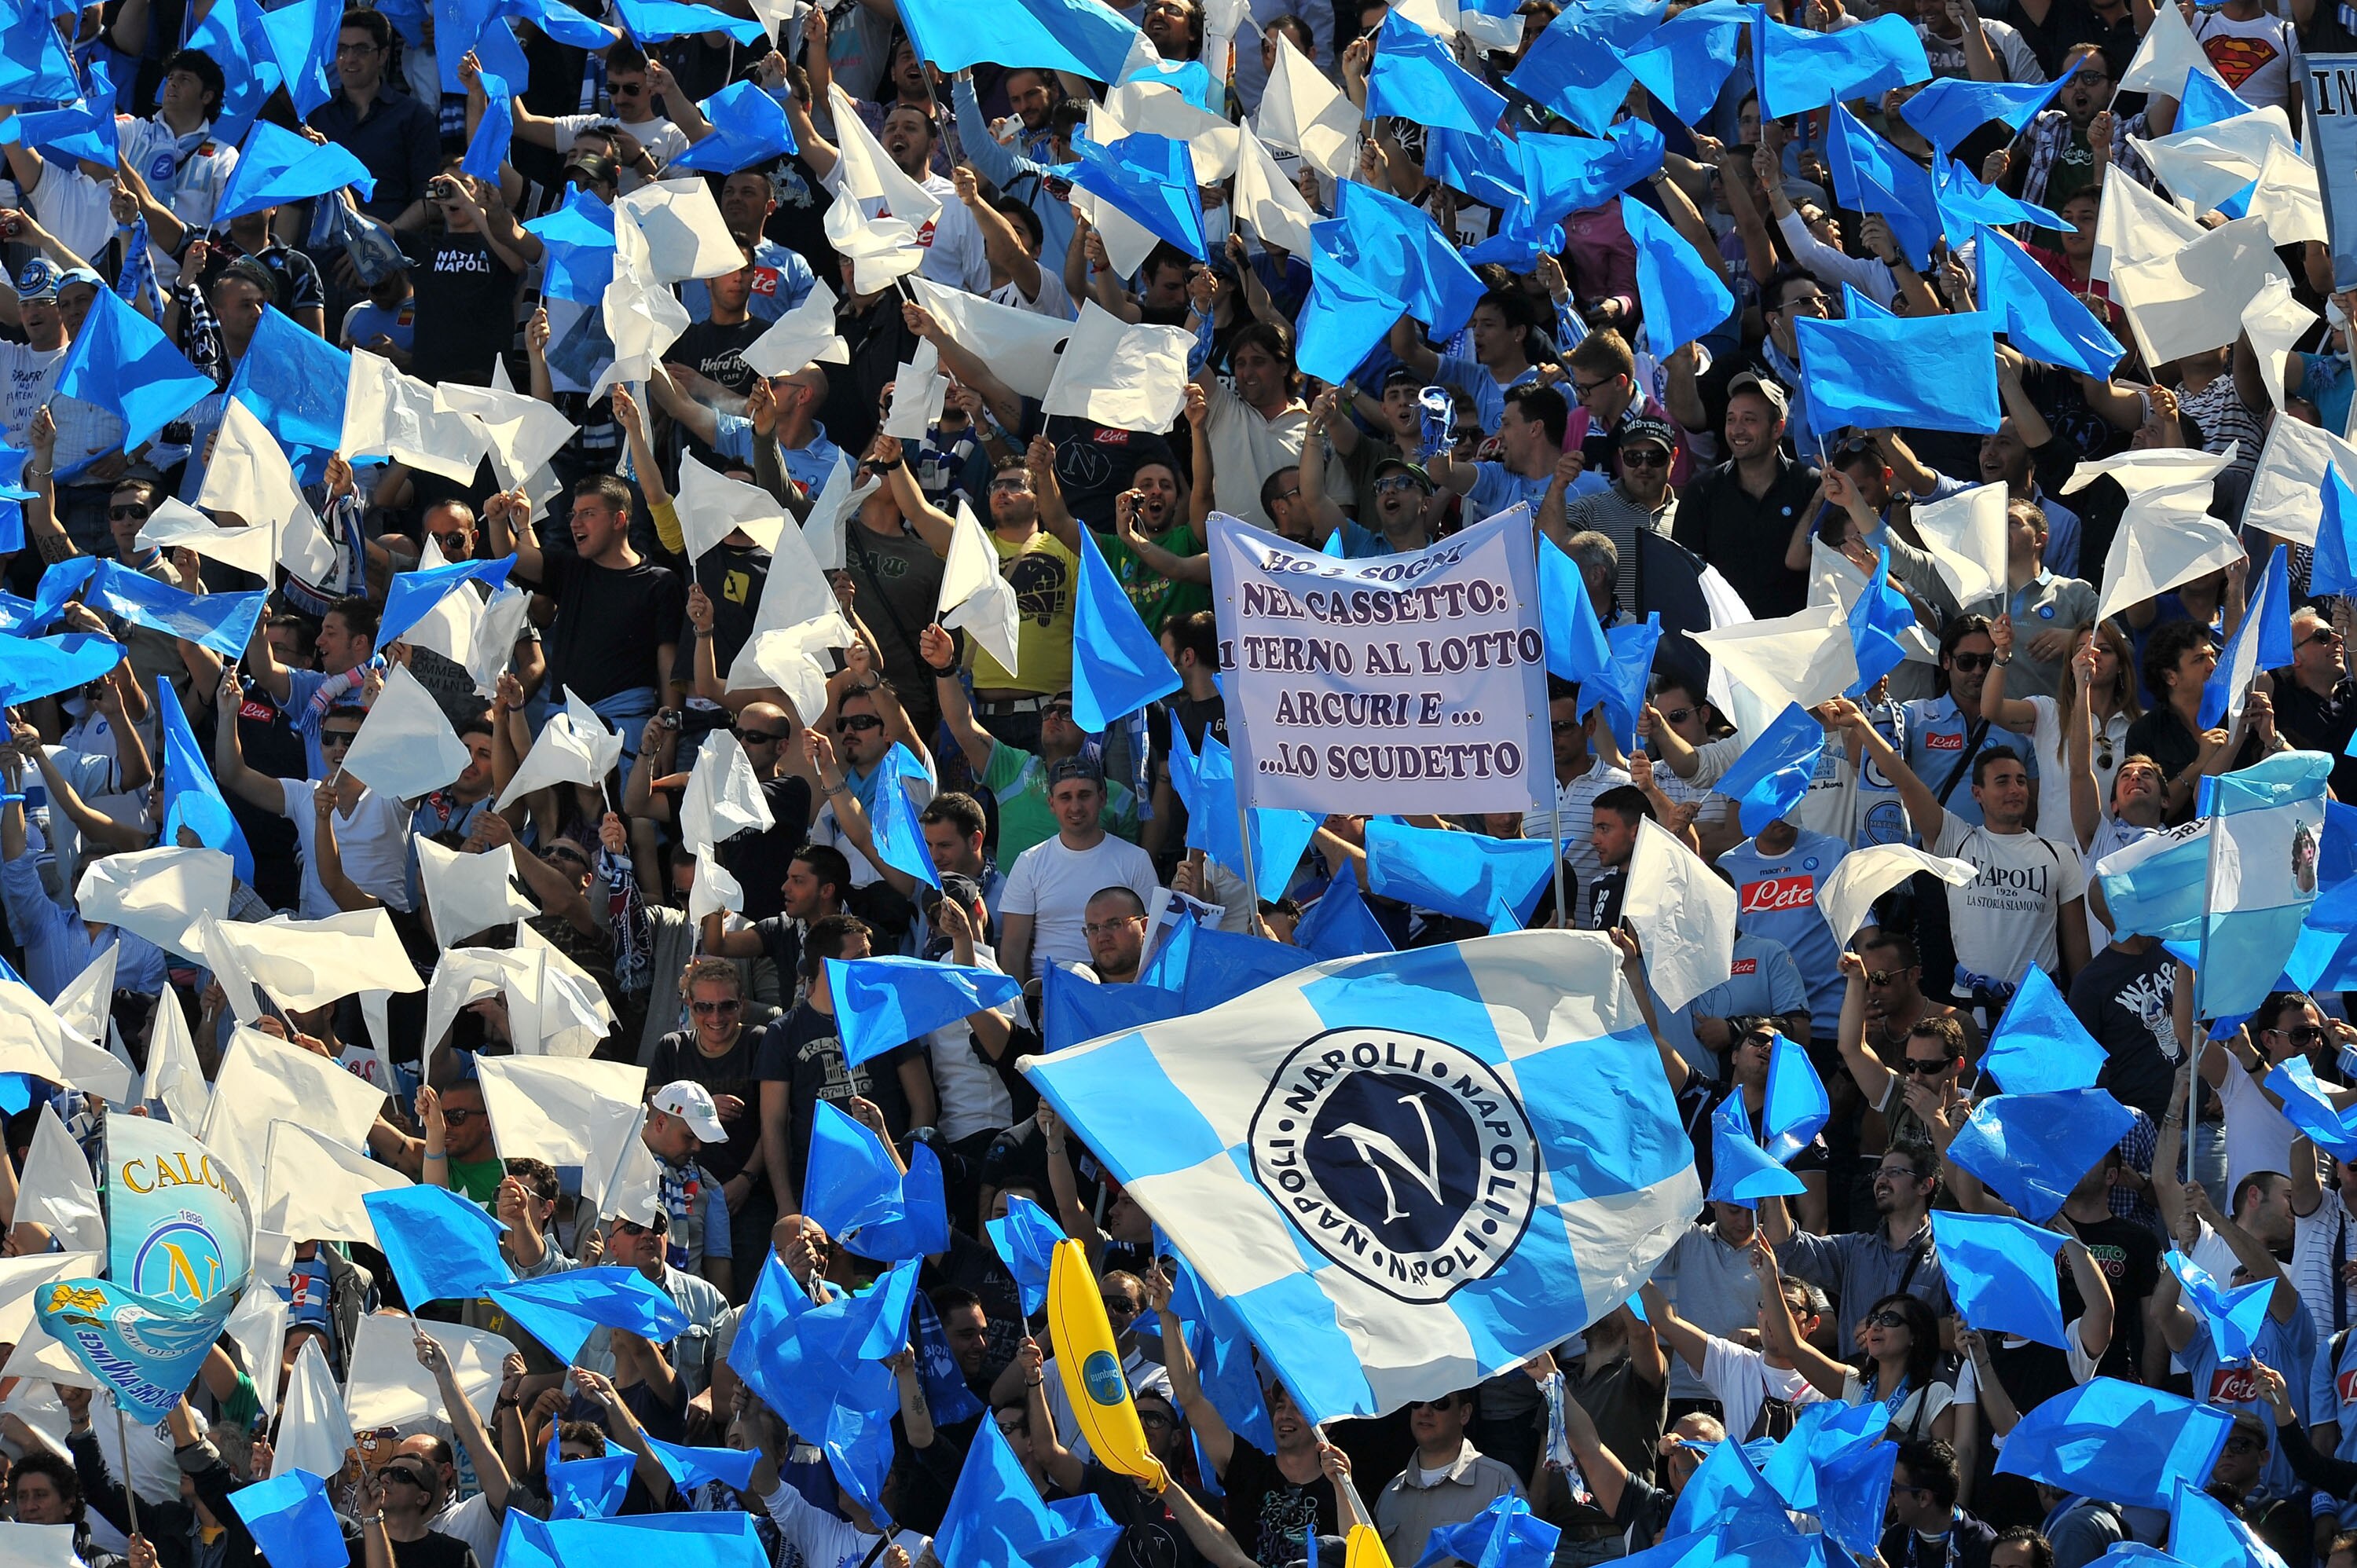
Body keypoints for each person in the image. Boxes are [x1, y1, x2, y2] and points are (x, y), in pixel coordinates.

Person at [752, 914, 937, 1211]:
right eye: (859, 956)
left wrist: (908, 1172)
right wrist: (785, 1204)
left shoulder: (885, 1018)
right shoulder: (784, 1032)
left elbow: (923, 1103)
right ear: (827, 965)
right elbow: (773, 1125)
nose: (870, 963)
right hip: (820, 1190)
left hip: (888, 1184)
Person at [997, 757, 1161, 982]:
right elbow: (1013, 947)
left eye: (1084, 795)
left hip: (1118, 991)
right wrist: (1017, 1012)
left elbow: (1153, 939)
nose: (1075, 807)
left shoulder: (1135, 859)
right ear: (1051, 804)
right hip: (1049, 991)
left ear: (1102, 798)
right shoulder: (1029, 862)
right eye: (1065, 797)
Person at [1371, 1388, 1522, 1563]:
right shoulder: (1390, 1492)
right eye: (1417, 1402)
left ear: (1464, 1413)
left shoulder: (1499, 1482)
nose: (1424, 1411)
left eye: (1439, 1403)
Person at [1881, 1440, 1997, 1568]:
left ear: (1924, 1498)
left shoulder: (1984, 1547)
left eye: (1895, 1487)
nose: (1890, 1495)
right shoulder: (1896, 1539)